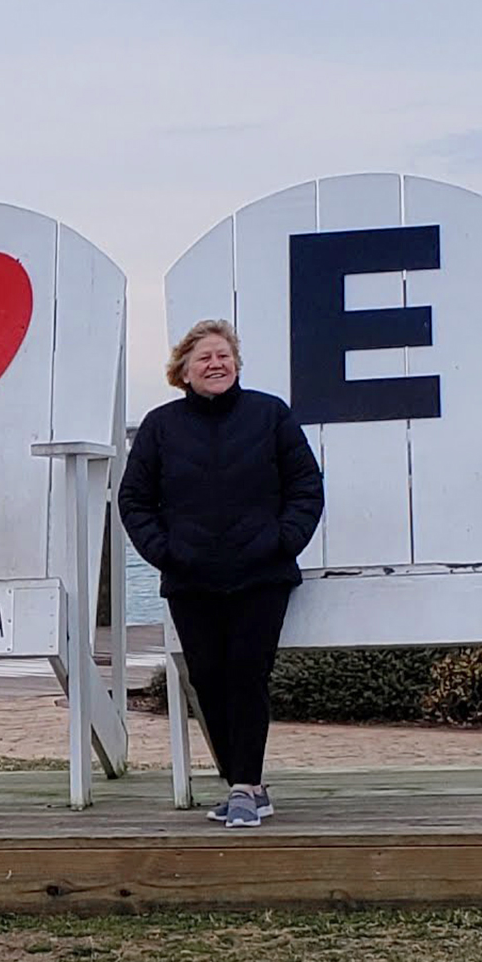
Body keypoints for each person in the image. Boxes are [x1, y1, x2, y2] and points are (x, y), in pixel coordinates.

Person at [118, 320, 324, 829]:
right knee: (208, 679)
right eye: (204, 357)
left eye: (224, 355)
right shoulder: (160, 426)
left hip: (262, 575)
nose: (216, 364)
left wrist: (280, 542)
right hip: (191, 578)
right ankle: (249, 787)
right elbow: (134, 500)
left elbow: (306, 488)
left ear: (237, 363)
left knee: (247, 674)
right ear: (182, 372)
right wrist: (166, 552)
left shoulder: (270, 414)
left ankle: (240, 788)